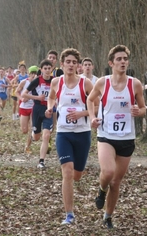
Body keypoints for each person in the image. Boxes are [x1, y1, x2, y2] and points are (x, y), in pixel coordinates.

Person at [87, 45, 146, 229]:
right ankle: (101, 190)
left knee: (116, 181)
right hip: (106, 134)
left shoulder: (135, 84)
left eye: (125, 59)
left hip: (127, 137)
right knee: (108, 172)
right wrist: (92, 118)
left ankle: (108, 216)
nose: (123, 62)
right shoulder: (102, 83)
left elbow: (144, 109)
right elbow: (90, 100)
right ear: (111, 63)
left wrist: (139, 111)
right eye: (119, 59)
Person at [45, 48, 99, 225]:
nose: (71, 65)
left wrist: (82, 113)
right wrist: (50, 107)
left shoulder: (85, 84)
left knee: (77, 175)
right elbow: (51, 98)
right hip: (63, 133)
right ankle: (69, 214)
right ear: (62, 64)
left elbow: (98, 106)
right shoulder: (56, 82)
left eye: (74, 62)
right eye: (67, 62)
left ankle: (72, 206)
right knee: (67, 172)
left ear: (79, 66)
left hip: (82, 133)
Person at [21, 59, 54, 169]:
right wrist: (37, 97)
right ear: (41, 70)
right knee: (36, 137)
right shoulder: (37, 81)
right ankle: (32, 135)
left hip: (48, 109)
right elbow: (24, 94)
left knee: (47, 135)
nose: (47, 70)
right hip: (37, 109)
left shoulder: (54, 81)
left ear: (52, 69)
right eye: (45, 69)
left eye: (49, 68)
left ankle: (41, 161)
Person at [16, 65, 38, 154]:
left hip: (34, 107)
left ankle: (27, 146)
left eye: (35, 74)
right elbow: (16, 92)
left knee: (32, 128)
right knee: (24, 130)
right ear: (29, 74)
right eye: (32, 73)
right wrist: (21, 98)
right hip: (24, 107)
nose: (33, 75)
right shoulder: (23, 82)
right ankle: (28, 139)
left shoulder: (39, 83)